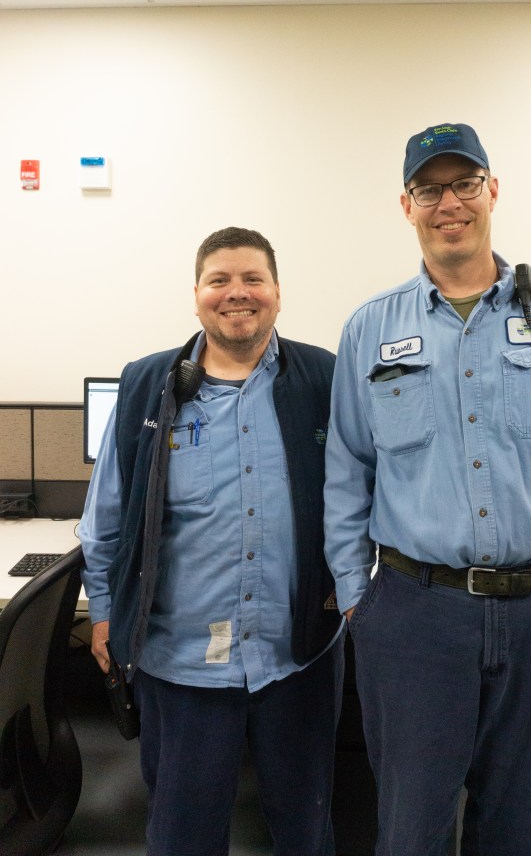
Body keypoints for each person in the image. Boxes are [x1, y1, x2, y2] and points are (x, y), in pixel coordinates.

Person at [323, 123, 531, 856]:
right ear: (406, 205)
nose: (449, 204)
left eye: (465, 184)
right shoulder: (370, 328)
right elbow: (346, 473)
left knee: (519, 827)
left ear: (492, 191)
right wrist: (355, 599)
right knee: (411, 827)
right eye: (429, 189)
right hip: (415, 617)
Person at [80, 227, 343, 856]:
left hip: (298, 654)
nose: (237, 293)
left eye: (253, 278)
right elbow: (107, 515)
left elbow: (361, 500)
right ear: (197, 294)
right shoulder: (147, 384)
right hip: (182, 661)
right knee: (183, 833)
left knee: (305, 829)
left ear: (277, 291)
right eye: (218, 280)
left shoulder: (325, 378)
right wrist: (105, 612)